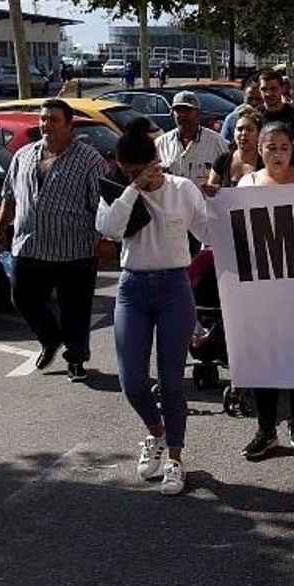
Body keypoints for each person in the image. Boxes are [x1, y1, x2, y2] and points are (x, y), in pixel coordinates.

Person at [96, 120, 209, 497]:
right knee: (131, 381)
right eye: (125, 172)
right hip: (133, 287)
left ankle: (175, 457)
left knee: (172, 380)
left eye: (137, 171)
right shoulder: (117, 190)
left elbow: (207, 232)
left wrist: (226, 204)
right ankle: (157, 432)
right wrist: (132, 189)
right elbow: (111, 229)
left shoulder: (182, 189)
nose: (132, 177)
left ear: (155, 162)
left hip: (175, 287)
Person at [0, 98, 106, 382]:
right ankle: (51, 338)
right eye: (43, 118)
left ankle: (76, 359)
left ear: (69, 124)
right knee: (22, 297)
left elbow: (102, 205)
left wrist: (104, 239)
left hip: (74, 250)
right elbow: (9, 195)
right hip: (29, 245)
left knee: (75, 311)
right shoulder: (24, 155)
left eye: (54, 119)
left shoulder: (90, 160)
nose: (46, 124)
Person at [237, 121, 294, 459]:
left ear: (292, 150)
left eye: (284, 147)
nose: (278, 154)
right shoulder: (246, 185)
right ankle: (266, 429)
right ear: (260, 150)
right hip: (260, 291)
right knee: (263, 361)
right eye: (271, 147)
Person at [155, 91, 228, 189]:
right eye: (178, 110)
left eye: (187, 110)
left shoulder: (218, 143)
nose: (182, 115)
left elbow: (229, 177)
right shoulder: (160, 144)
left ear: (198, 113)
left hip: (203, 199)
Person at [205, 107, 262, 194]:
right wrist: (213, 189)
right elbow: (210, 190)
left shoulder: (265, 161)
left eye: (249, 130)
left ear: (258, 134)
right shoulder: (222, 160)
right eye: (240, 129)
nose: (244, 133)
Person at [220, 76, 263, 142]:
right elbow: (223, 144)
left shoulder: (271, 117)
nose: (254, 102)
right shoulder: (232, 119)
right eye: (250, 99)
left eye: (258, 99)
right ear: (244, 98)